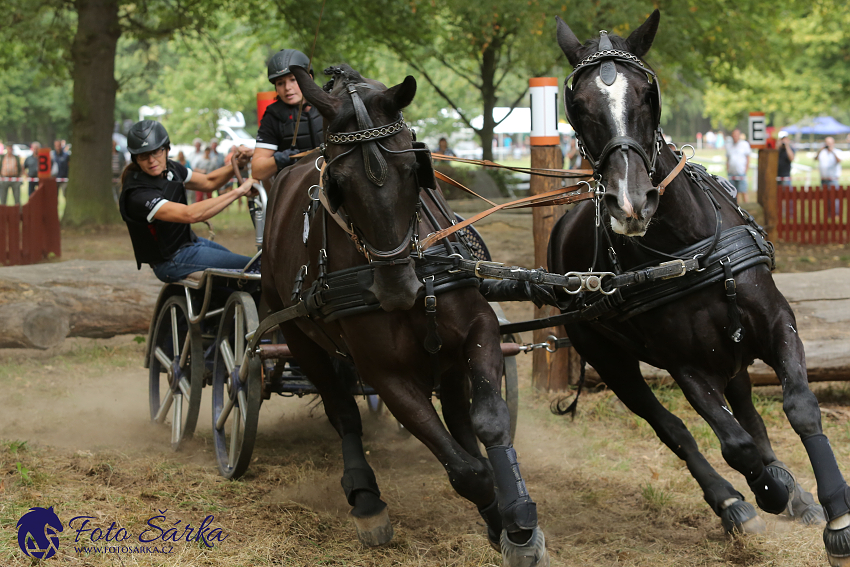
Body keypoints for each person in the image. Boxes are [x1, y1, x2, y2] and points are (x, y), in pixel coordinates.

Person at [119, 120, 256, 283]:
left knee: (249, 267)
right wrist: (239, 191)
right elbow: (189, 214)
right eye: (143, 155)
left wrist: (237, 163)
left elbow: (208, 181)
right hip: (171, 260)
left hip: (190, 243)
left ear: (167, 149)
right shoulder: (138, 193)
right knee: (252, 270)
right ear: (136, 159)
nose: (151, 160)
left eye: (156, 152)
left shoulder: (171, 169)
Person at [251, 49, 323, 181]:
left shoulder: (329, 105)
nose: (287, 87)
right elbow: (257, 171)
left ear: (309, 78)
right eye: (280, 83)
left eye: (293, 79)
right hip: (294, 184)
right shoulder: (273, 116)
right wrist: (280, 159)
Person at [817, 136, 842, 218]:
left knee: (835, 198)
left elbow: (839, 161)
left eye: (829, 143)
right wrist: (820, 150)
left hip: (833, 179)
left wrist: (832, 152)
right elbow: (815, 158)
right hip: (824, 179)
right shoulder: (822, 153)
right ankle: (827, 214)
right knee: (825, 198)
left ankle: (836, 213)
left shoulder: (837, 152)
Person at [725, 128, 751, 204]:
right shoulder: (729, 146)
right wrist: (727, 169)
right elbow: (728, 159)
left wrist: (746, 170)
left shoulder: (744, 145)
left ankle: (747, 207)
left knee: (743, 191)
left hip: (741, 172)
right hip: (732, 173)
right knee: (733, 193)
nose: (735, 136)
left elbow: (748, 158)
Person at [776, 131, 796, 220]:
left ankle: (790, 213)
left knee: (788, 196)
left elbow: (792, 158)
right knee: (777, 196)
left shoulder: (790, 148)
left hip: (786, 176)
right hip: (777, 176)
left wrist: (787, 146)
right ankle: (779, 212)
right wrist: (778, 146)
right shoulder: (777, 149)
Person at [111, 139, 127, 204]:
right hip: (110, 176)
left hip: (118, 176)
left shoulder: (120, 154)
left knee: (119, 192)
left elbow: (124, 163)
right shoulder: (106, 155)